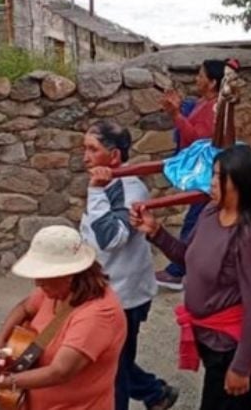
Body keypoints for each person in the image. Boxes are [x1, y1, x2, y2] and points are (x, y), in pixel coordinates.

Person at [130, 145, 251, 410]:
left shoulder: (250, 237)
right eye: (213, 174)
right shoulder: (211, 212)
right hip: (207, 338)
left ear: (241, 185)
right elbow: (188, 258)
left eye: (220, 177)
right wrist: (155, 232)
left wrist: (242, 367)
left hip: (229, 347)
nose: (211, 183)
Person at [80, 120, 179, 410]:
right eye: (84, 149)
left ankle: (149, 395)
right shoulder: (106, 184)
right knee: (111, 360)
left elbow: (110, 238)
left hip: (123, 297)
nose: (85, 157)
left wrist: (96, 193)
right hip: (102, 289)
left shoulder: (130, 191)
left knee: (112, 370)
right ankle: (155, 393)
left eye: (92, 149)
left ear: (114, 157)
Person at [0, 226, 127, 410]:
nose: (38, 283)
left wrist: (6, 382)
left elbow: (61, 371)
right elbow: (24, 308)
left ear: (69, 275)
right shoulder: (55, 290)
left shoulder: (98, 315)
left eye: (45, 276)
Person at [156, 59, 227, 291]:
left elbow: (199, 140)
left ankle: (179, 271)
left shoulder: (215, 107)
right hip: (199, 173)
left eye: (200, 75)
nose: (197, 79)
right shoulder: (203, 103)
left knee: (194, 221)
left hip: (204, 176)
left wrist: (176, 114)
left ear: (213, 82)